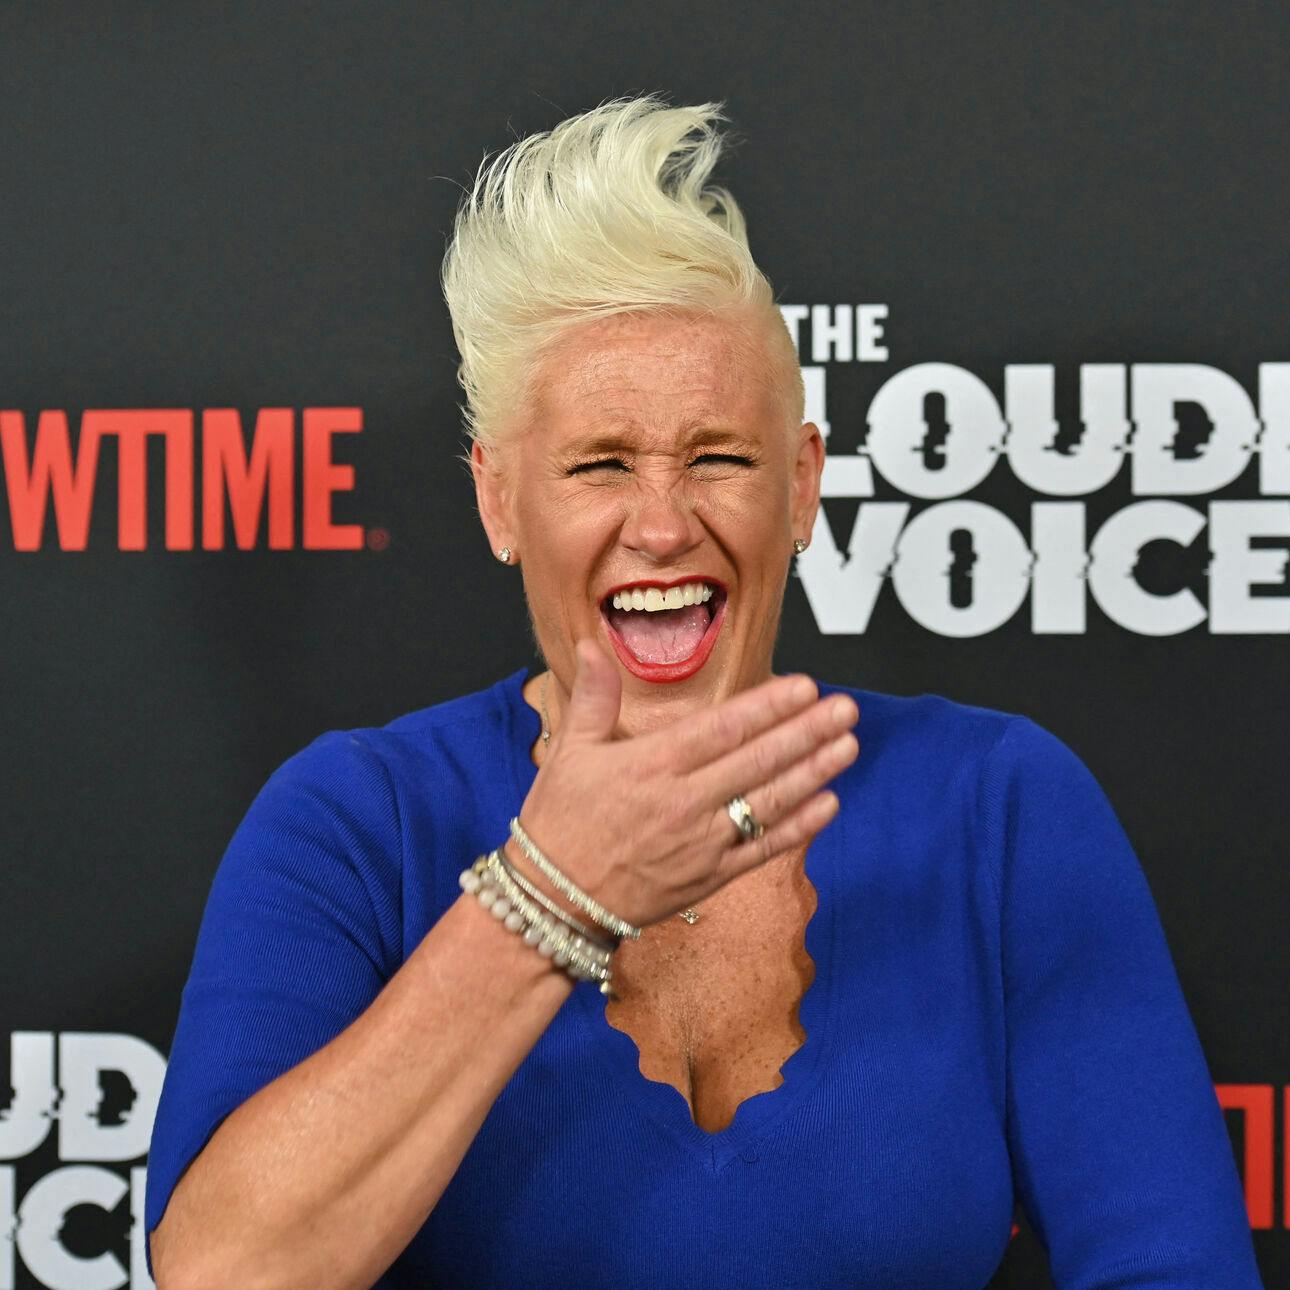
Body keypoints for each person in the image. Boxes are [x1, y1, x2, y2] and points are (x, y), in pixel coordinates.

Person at [143, 94, 1263, 1290]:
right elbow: (226, 1272)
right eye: (600, 464)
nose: (664, 525)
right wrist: (551, 896)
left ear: (801, 486)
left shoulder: (998, 805)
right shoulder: (355, 821)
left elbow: (1171, 1264)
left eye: (718, 457)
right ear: (499, 498)